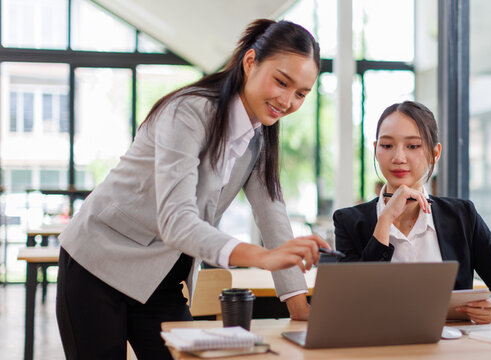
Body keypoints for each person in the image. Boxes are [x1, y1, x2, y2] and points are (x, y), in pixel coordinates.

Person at [56, 19, 329, 359]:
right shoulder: (188, 111)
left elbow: (272, 215)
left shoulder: (258, 137)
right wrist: (262, 258)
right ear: (250, 62)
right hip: (98, 263)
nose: (287, 101)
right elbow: (176, 220)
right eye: (281, 82)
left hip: (161, 279)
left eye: (301, 93)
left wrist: (299, 307)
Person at [333, 101, 491, 324]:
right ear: (376, 149)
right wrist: (385, 221)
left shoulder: (462, 216)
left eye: (413, 146)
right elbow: (348, 305)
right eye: (387, 146)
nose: (398, 157)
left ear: (434, 153)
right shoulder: (348, 221)